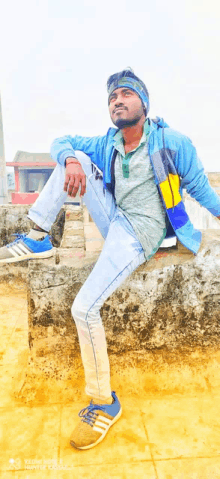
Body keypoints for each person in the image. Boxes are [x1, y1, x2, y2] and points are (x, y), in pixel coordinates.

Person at [1, 68, 220, 450]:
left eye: (125, 94)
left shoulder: (171, 142)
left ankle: (104, 401)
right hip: (115, 217)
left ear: (144, 103)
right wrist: (70, 159)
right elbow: (62, 141)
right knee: (77, 160)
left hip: (141, 233)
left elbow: (202, 189)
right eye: (111, 98)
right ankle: (38, 235)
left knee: (84, 307)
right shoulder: (110, 142)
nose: (117, 101)